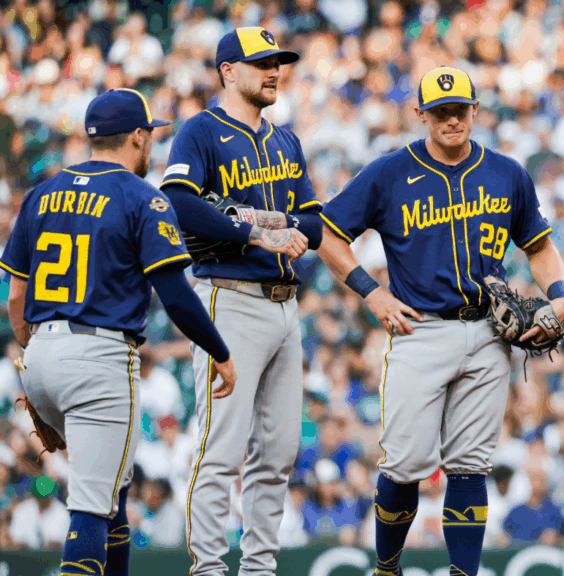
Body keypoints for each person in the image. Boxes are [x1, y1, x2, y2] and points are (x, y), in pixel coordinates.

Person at [316, 66, 564, 576]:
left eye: (460, 109)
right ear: (421, 115)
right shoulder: (390, 173)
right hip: (420, 329)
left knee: (470, 466)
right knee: (405, 465)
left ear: (475, 110)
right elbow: (327, 232)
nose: (451, 119)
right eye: (440, 112)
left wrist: (560, 298)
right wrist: (372, 294)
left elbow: (539, 245)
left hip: (490, 331)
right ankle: (386, 568)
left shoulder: (506, 173)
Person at [0, 88, 237, 576]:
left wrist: (41, 352)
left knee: (114, 488)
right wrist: (219, 350)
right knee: (90, 507)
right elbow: (174, 294)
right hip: (100, 361)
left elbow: (16, 300)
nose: (152, 143)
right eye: (150, 133)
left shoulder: (41, 194)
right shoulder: (142, 197)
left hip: (39, 357)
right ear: (136, 135)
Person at [158, 27, 323, 576]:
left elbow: (314, 224)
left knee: (277, 455)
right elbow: (179, 204)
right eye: (261, 63)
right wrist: (254, 232)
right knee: (221, 447)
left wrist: (256, 220)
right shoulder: (201, 131)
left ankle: (258, 568)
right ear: (229, 71)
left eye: (277, 62)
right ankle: (208, 567)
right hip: (228, 298)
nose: (274, 71)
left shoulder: (286, 140)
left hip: (284, 304)